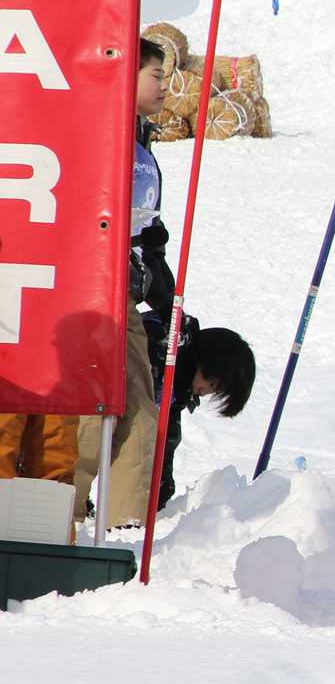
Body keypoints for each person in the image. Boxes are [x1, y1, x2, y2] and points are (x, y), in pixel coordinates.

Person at [72, 37, 173, 528]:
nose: (165, 87)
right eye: (156, 76)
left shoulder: (139, 140)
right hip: (89, 290)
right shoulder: (98, 131)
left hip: (123, 292)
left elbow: (143, 222)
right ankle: (63, 514)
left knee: (139, 404)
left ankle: (127, 521)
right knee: (91, 407)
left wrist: (153, 265)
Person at [141, 312, 255, 510]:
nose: (205, 392)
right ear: (207, 363)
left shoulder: (180, 387)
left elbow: (165, 440)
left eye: (215, 391)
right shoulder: (162, 347)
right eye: (212, 384)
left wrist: (160, 490)